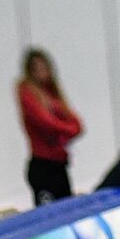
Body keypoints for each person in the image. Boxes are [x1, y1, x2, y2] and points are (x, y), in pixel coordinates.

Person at [16, 48, 83, 205]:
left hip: (59, 165)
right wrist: (66, 129)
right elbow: (45, 122)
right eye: (37, 69)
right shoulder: (27, 92)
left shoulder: (52, 94)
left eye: (44, 68)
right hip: (43, 165)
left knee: (67, 210)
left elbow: (76, 123)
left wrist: (66, 129)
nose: (42, 73)